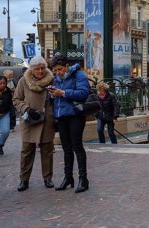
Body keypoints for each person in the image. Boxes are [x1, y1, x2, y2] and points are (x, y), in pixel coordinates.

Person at [13, 56, 56, 191]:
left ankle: (47, 178)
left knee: (47, 151)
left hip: (47, 120)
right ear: (32, 69)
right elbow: (16, 99)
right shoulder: (23, 81)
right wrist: (26, 109)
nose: (40, 71)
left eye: (42, 68)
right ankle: (24, 180)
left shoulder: (52, 80)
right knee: (27, 151)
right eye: (37, 69)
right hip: (29, 120)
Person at [49, 54, 91, 193]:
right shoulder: (57, 79)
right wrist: (53, 95)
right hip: (62, 116)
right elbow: (58, 96)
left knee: (77, 147)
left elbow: (83, 93)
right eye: (55, 71)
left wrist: (63, 93)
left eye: (60, 69)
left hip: (75, 116)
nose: (58, 73)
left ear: (66, 66)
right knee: (66, 149)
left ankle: (83, 179)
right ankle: (68, 178)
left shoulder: (79, 75)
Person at [0, 75, 15, 155]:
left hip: (4, 114)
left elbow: (11, 103)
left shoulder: (8, 91)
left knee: (6, 131)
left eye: (4, 83)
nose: (3, 85)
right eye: (1, 83)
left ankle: (0, 145)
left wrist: (12, 114)